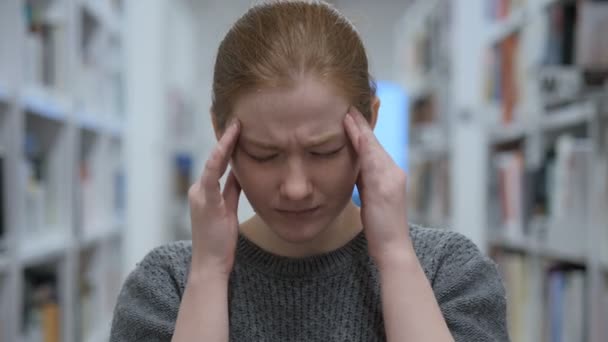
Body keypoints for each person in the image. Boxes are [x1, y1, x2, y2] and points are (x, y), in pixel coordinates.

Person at [110, 1, 508, 341]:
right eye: (265, 154)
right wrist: (209, 274)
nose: (296, 188)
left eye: (324, 151)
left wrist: (396, 257)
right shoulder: (166, 286)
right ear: (220, 133)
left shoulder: (450, 273)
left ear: (369, 121)